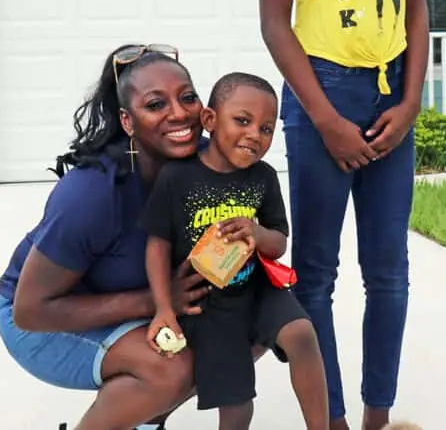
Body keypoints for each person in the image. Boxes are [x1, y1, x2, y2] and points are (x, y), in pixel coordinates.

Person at [252, 0, 429, 428]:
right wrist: (324, 118)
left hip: (391, 96)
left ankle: (377, 416)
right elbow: (274, 22)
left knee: (388, 270)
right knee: (317, 273)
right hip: (321, 90)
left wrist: (410, 103)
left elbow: (418, 11)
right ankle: (327, 420)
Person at [0, 44, 264, 430]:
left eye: (187, 97)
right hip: (43, 322)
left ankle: (145, 422)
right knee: (171, 368)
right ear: (128, 121)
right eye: (156, 105)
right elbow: (31, 311)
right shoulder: (92, 194)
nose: (179, 113)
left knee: (255, 323)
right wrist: (158, 300)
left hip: (141, 303)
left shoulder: (209, 166)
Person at [141, 72, 328, 430]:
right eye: (242, 121)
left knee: (302, 334)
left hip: (257, 289)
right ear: (210, 120)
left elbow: (279, 243)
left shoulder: (264, 177)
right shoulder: (177, 178)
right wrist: (164, 308)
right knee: (237, 406)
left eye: (266, 129)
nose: (254, 135)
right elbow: (157, 246)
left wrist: (257, 233)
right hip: (209, 305)